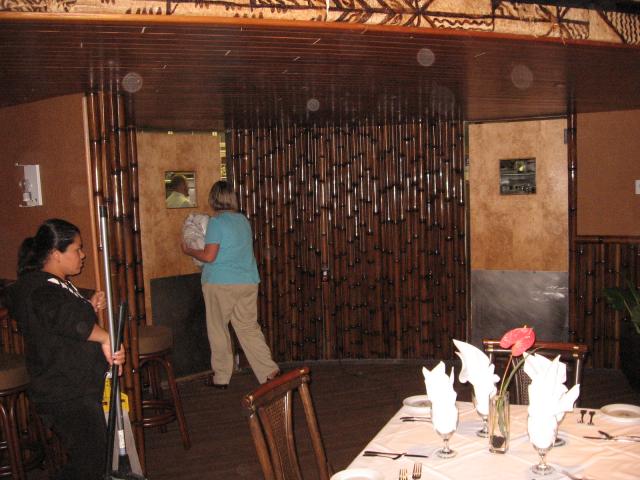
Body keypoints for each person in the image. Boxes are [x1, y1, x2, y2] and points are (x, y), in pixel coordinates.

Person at [6, 218, 125, 480]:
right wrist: (106, 338)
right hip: (65, 391)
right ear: (55, 253)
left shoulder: (54, 283)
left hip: (74, 387)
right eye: (77, 249)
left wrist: (87, 305)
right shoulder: (40, 288)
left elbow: (59, 323)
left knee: (94, 459)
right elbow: (68, 321)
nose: (83, 255)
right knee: (92, 462)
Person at [181, 181, 279, 388]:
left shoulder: (217, 223)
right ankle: (269, 372)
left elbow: (209, 256)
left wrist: (189, 250)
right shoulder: (243, 220)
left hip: (220, 283)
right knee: (249, 328)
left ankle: (221, 378)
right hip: (247, 281)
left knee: (218, 330)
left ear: (213, 199)